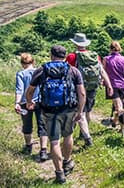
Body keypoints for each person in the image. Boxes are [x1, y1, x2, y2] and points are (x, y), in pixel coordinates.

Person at [26, 45, 86, 184]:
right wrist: (80, 111)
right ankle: (67, 161)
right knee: (68, 136)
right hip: (68, 109)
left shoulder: (42, 70)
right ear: (65, 56)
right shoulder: (73, 71)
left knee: (54, 141)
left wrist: (29, 102)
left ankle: (59, 174)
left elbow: (30, 91)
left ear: (51, 55)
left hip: (49, 111)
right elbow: (82, 93)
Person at [66, 33, 113, 147]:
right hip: (92, 87)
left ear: (75, 44)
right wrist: (109, 85)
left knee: (78, 112)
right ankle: (84, 134)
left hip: (77, 88)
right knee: (87, 111)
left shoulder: (72, 57)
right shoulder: (94, 56)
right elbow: (102, 71)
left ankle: (83, 136)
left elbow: (66, 73)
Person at [15, 53, 49, 161]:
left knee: (27, 124)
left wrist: (17, 102)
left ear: (22, 63)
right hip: (39, 102)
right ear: (33, 62)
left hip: (26, 103)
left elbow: (19, 90)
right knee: (42, 125)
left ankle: (28, 146)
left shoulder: (20, 74)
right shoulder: (39, 72)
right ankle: (43, 150)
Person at [101, 41, 124, 117]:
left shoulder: (106, 59)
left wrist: (102, 80)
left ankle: (123, 122)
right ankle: (114, 119)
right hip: (123, 85)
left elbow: (103, 71)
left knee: (118, 105)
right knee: (119, 102)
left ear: (110, 49)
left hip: (112, 85)